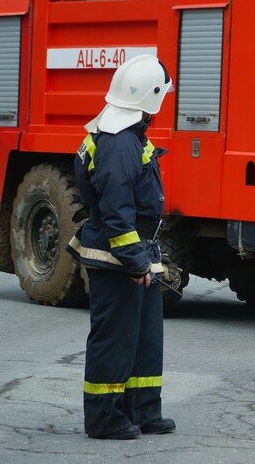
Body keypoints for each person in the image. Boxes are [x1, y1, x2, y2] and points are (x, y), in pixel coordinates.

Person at [66, 54, 176, 439]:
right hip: (118, 257)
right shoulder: (117, 142)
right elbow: (116, 208)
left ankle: (142, 410)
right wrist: (134, 263)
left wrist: (145, 259)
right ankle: (104, 418)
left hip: (137, 251)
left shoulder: (124, 134)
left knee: (144, 338)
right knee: (114, 339)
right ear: (150, 99)